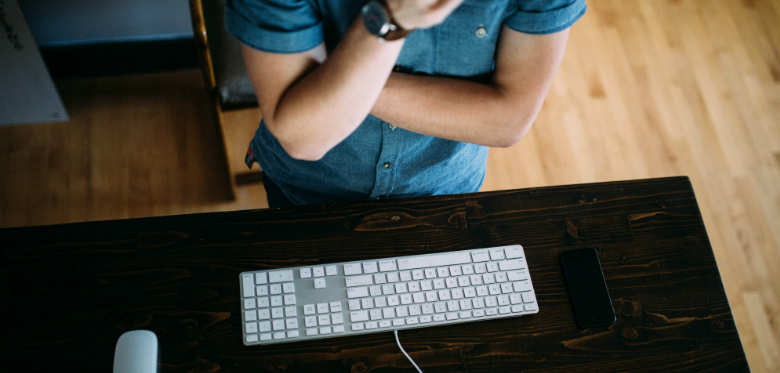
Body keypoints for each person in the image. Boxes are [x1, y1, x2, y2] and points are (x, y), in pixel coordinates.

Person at [226, 0, 586, 207]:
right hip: (307, 192)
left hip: (445, 190)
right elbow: (304, 137)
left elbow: (508, 120)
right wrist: (389, 20)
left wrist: (339, 88)